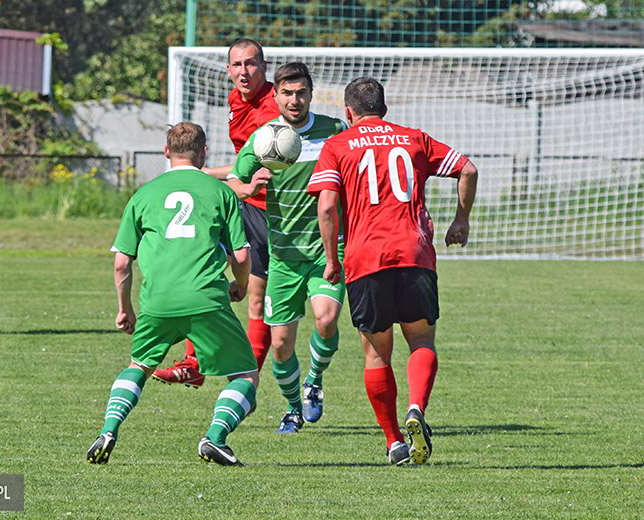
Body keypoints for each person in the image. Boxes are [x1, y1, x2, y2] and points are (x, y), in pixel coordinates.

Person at [307, 77, 478, 464]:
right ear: (384, 109)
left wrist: (332, 261)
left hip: (365, 258)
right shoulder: (414, 138)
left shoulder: (337, 146)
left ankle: (394, 442)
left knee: (376, 355)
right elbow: (467, 169)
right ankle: (416, 408)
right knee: (421, 341)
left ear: (348, 112)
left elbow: (326, 207)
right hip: (414, 253)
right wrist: (460, 220)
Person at [87, 122, 259, 466]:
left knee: (140, 365)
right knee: (245, 375)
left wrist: (125, 310)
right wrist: (240, 284)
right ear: (204, 153)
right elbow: (241, 256)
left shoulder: (143, 195)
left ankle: (109, 428)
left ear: (167, 153)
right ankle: (215, 437)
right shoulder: (221, 192)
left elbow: (122, 264)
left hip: (158, 300)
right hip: (206, 297)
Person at [152, 38, 280, 388]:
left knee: (259, 301)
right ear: (227, 69)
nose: (244, 71)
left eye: (251, 64)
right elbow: (242, 167)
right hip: (243, 205)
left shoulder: (273, 109)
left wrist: (207, 175)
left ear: (264, 67)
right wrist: (221, 178)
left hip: (274, 212)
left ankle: (247, 383)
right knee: (201, 270)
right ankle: (194, 363)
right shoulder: (235, 99)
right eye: (237, 65)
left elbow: (256, 170)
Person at [228, 62, 347, 434]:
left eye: (301, 93)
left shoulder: (335, 131)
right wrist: (249, 186)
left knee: (326, 320)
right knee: (280, 345)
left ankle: (314, 380)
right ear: (276, 95)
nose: (295, 100)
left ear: (311, 94)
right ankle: (294, 407)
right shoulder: (263, 139)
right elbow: (233, 182)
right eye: (287, 93)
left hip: (328, 252)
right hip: (283, 256)